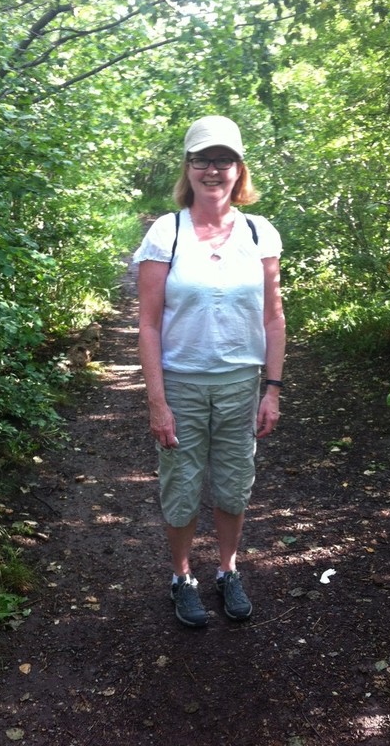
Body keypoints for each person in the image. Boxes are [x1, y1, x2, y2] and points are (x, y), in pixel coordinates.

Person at [134, 115, 285, 627]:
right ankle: (182, 577)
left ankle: (227, 570)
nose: (213, 170)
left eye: (223, 160)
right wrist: (157, 401)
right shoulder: (167, 231)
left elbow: (273, 316)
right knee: (181, 485)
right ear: (188, 167)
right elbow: (149, 324)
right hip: (182, 384)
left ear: (239, 168)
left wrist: (272, 389)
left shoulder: (260, 232)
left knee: (234, 484)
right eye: (202, 159)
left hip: (242, 385)